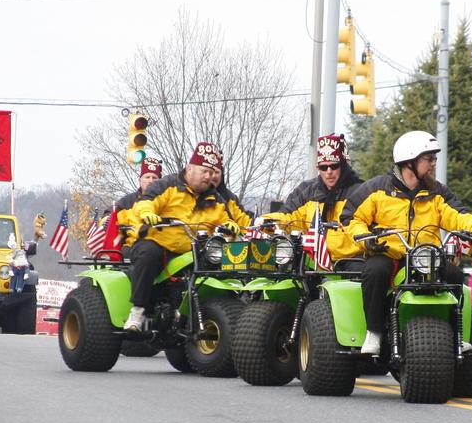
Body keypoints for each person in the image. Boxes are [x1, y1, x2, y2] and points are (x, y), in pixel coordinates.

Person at [339, 130, 472, 354]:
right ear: (409, 162)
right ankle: (374, 333)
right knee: (374, 272)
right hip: (388, 253)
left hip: (425, 257)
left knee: (455, 276)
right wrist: (366, 240)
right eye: (429, 159)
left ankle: (455, 335)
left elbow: (458, 215)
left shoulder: (436, 191)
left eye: (434, 159)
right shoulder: (376, 189)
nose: (433, 164)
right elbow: (350, 217)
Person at [124, 142, 251, 331]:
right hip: (161, 242)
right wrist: (148, 214)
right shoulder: (167, 185)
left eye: (212, 172)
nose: (209, 177)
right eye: (204, 171)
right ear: (190, 169)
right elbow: (147, 201)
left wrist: (231, 226)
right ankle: (138, 311)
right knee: (148, 253)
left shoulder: (215, 199)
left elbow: (227, 219)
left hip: (193, 250)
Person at [262, 134, 363, 259]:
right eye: (324, 167)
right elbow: (289, 216)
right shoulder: (307, 191)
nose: (329, 171)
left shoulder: (360, 192)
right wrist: (268, 220)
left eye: (334, 166)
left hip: (350, 261)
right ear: (318, 169)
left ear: (343, 165)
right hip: (310, 261)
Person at [114, 157, 164, 249]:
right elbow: (110, 217)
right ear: (140, 180)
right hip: (133, 247)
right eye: (147, 177)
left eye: (154, 178)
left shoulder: (166, 199)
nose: (151, 181)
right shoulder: (126, 202)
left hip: (163, 246)